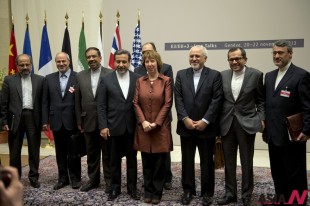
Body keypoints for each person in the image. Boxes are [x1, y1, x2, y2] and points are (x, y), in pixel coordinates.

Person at [174, 45, 223, 206]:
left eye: (197, 56)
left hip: (206, 127)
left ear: (205, 58)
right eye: (191, 56)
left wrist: (205, 120)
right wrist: (185, 118)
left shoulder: (215, 75)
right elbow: (178, 99)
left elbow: (217, 100)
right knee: (187, 161)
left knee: (207, 161)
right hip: (186, 126)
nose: (194, 59)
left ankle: (207, 193)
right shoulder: (181, 75)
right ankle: (188, 191)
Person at [264, 40, 310, 205]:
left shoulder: (301, 75)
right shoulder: (269, 76)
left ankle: (298, 202)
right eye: (274, 53)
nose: (276, 56)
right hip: (272, 134)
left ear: (290, 54)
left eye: (280, 53)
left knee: (295, 173)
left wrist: (307, 130)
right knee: (278, 171)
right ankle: (282, 199)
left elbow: (307, 106)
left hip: (293, 134)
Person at [218, 47, 265, 206]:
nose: (234, 62)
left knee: (246, 161)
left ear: (245, 59)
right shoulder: (222, 75)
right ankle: (230, 193)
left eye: (237, 58)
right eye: (231, 59)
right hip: (227, 123)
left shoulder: (256, 75)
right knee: (229, 162)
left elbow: (261, 101)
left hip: (247, 123)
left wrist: (261, 118)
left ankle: (246, 194)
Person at [98, 49, 141, 201]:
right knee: (113, 161)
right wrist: (103, 126)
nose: (121, 64)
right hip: (112, 127)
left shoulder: (138, 79)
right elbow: (101, 105)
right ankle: (114, 188)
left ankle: (132, 188)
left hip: (132, 127)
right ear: (114, 62)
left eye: (124, 62)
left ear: (129, 62)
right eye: (118, 61)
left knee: (132, 160)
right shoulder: (106, 79)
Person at [133, 50, 173, 205]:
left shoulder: (166, 80)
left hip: (160, 128)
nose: (149, 64)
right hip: (143, 128)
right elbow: (135, 103)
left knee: (159, 162)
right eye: (146, 62)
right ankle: (148, 191)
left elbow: (168, 103)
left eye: (152, 61)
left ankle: (157, 192)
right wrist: (143, 122)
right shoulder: (140, 81)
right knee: (146, 162)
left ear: (158, 63)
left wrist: (156, 123)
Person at [0, 54, 44, 188]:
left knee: (34, 149)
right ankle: (15, 178)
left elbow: (44, 103)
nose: (25, 67)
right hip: (14, 119)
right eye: (21, 65)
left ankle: (33, 177)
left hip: (33, 117)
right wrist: (3, 121)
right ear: (17, 66)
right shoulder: (9, 80)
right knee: (14, 151)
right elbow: (3, 103)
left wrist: (44, 121)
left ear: (31, 64)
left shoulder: (41, 80)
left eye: (27, 64)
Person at [42, 52, 81, 190]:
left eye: (63, 61)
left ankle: (75, 179)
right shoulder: (49, 78)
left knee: (74, 152)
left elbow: (81, 101)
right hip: (56, 120)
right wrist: (45, 121)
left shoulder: (78, 77)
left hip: (73, 121)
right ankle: (62, 178)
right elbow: (45, 102)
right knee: (60, 152)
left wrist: (81, 121)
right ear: (55, 63)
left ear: (69, 61)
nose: (61, 64)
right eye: (58, 62)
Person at [75, 47, 112, 192]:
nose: (91, 59)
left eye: (94, 56)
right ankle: (93, 180)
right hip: (88, 121)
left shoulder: (110, 73)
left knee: (108, 154)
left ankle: (109, 181)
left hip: (106, 122)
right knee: (91, 154)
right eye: (88, 57)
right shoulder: (80, 76)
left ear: (100, 57)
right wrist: (79, 120)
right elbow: (77, 100)